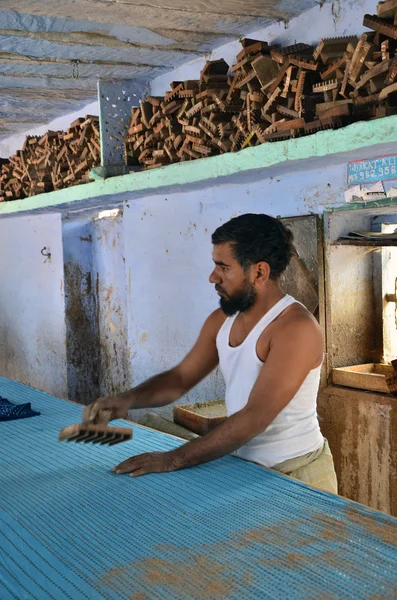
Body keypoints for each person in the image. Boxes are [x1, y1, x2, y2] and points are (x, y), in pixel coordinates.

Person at [83, 213, 338, 494]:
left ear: (259, 272)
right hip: (244, 468)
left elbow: (254, 417)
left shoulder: (295, 329)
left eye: (223, 268)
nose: (212, 277)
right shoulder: (222, 320)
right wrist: (127, 400)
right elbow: (180, 378)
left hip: (297, 473)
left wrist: (173, 458)